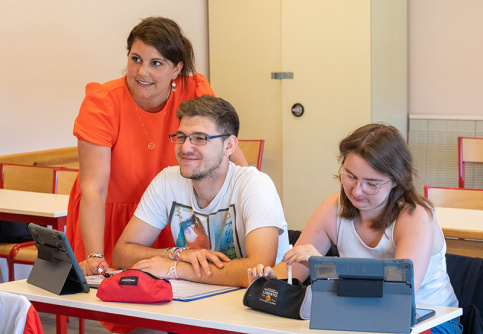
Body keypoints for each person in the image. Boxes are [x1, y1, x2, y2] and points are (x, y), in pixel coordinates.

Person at [66, 16, 247, 277]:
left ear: (177, 69)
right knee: (120, 302)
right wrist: (95, 255)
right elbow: (94, 188)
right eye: (136, 59)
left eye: (156, 63)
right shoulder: (103, 102)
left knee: (182, 300)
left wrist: (258, 204)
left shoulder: (194, 91)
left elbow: (235, 163)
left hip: (177, 215)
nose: (142, 72)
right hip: (112, 215)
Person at [248, 123, 462, 334]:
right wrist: (268, 283)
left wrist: (327, 267)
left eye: (372, 183)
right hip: (360, 317)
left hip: (431, 322)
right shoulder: (333, 208)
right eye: (350, 176)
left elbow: (397, 299)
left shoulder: (415, 216)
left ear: (397, 180)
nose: (357, 190)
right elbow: (292, 273)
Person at [112, 95, 289, 288]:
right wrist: (177, 254)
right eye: (181, 137)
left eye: (200, 138)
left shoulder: (255, 184)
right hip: (194, 304)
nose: (185, 147)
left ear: (229, 146)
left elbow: (258, 269)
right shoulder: (167, 180)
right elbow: (121, 254)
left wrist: (176, 269)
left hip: (252, 309)